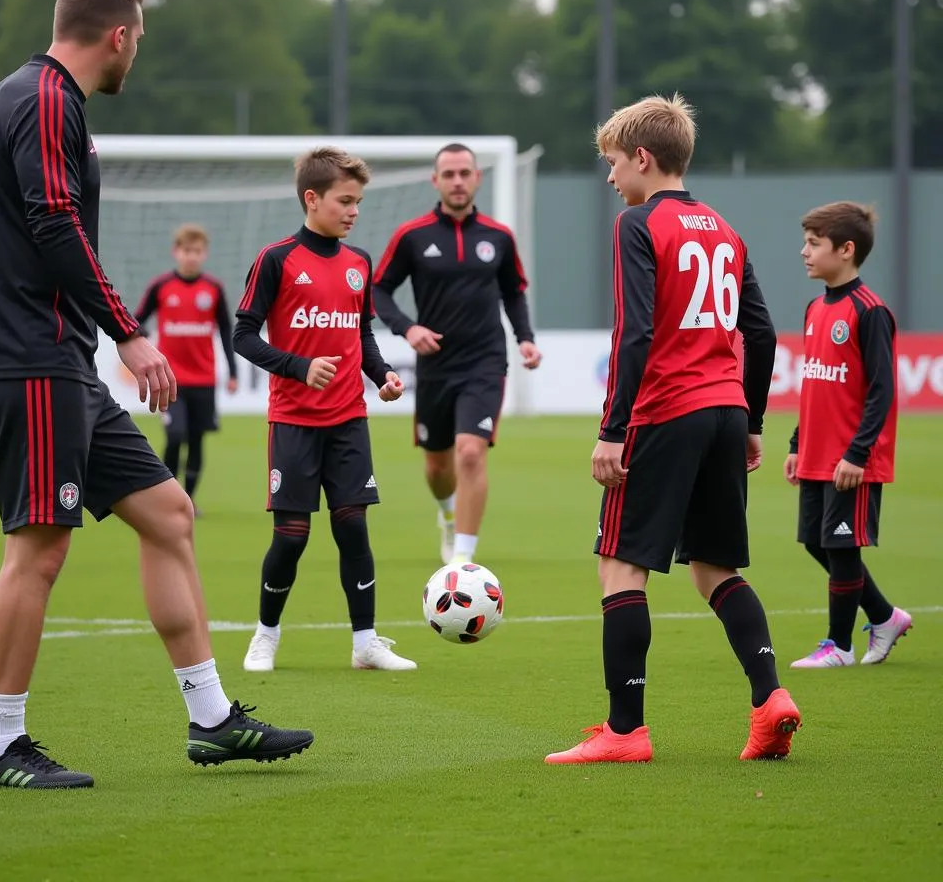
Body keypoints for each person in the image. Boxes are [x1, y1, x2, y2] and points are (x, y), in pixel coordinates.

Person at [0, 0, 313, 789]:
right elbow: (53, 222)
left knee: (168, 512)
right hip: (32, 361)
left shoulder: (26, 95)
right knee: (39, 550)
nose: (137, 55)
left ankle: (213, 720)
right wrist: (129, 331)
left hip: (54, 360)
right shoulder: (45, 99)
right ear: (117, 35)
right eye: (139, 40)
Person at [545, 94, 801, 766]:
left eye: (611, 164)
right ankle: (770, 698)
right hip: (722, 412)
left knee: (621, 563)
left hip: (666, 411)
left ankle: (625, 732)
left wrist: (612, 430)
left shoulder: (637, 224)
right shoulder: (724, 229)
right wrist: (750, 421)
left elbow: (636, 332)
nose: (609, 180)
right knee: (715, 567)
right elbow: (764, 333)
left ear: (642, 157)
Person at [233, 146, 417, 673]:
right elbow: (243, 335)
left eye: (358, 201)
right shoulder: (276, 259)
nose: (354, 210)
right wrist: (296, 366)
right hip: (293, 420)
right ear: (312, 199)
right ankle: (265, 636)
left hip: (348, 419)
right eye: (345, 200)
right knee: (292, 537)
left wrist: (380, 375)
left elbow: (361, 333)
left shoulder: (359, 263)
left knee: (353, 527)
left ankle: (365, 644)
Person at [372, 143, 542, 565]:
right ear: (436, 181)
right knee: (437, 469)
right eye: (448, 174)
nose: (458, 181)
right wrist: (408, 328)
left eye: (465, 172)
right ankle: (448, 515)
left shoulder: (498, 238)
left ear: (477, 177)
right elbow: (378, 290)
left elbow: (513, 292)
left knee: (470, 452)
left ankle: (462, 562)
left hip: (485, 362)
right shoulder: (413, 236)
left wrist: (525, 337)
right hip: (435, 367)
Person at [784, 202, 911, 668]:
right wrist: (798, 443)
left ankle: (838, 645)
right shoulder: (816, 307)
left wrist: (858, 453)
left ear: (847, 249)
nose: (804, 252)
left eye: (814, 244)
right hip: (818, 452)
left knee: (841, 545)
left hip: (851, 458)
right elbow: (814, 383)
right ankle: (883, 616)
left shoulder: (870, 311)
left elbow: (882, 390)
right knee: (818, 541)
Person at [135, 223, 239, 515]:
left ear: (204, 254)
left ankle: (187, 500)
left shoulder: (213, 289)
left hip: (204, 379)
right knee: (175, 435)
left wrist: (233, 373)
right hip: (171, 380)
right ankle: (166, 497)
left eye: (197, 251)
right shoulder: (161, 286)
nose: (191, 256)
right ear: (176, 252)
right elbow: (136, 320)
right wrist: (140, 346)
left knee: (196, 439)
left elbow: (226, 332)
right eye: (186, 251)